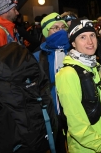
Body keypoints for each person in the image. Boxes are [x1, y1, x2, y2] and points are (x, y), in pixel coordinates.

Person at [56, 17, 101, 153]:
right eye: (83, 37)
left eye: (92, 35)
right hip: (87, 148)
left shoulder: (96, 66)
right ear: (73, 43)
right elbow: (76, 124)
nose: (90, 41)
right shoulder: (68, 74)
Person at [33, 12, 70, 153]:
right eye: (55, 28)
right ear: (46, 32)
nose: (60, 31)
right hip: (51, 113)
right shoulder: (37, 57)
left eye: (63, 27)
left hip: (73, 111)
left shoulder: (75, 52)